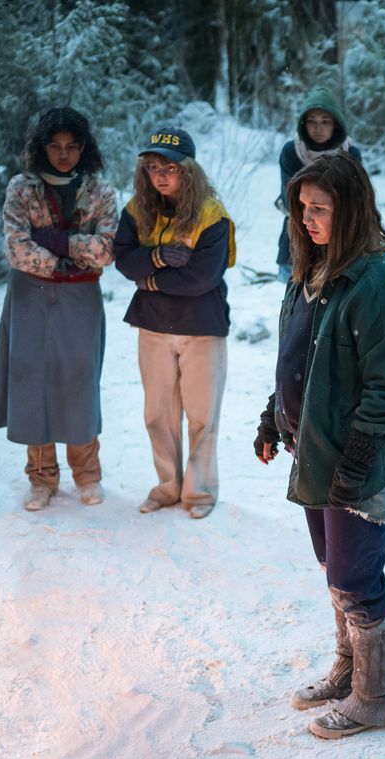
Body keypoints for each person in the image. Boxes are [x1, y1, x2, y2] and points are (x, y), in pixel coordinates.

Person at [253, 152, 385, 740]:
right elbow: (298, 356)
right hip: (315, 451)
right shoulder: (313, 267)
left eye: (319, 209)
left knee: (356, 575)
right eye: (301, 209)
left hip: (356, 460)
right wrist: (273, 418)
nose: (308, 219)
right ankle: (348, 673)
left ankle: (374, 697)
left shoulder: (377, 279)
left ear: (349, 209)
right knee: (334, 569)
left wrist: (360, 461)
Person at [0, 107, 118, 511]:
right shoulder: (22, 188)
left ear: (84, 148)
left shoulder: (100, 191)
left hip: (81, 300)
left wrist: (59, 243)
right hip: (30, 295)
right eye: (55, 146)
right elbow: (16, 245)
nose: (63, 154)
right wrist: (62, 260)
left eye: (71, 146)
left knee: (80, 379)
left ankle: (87, 473)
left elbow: (107, 248)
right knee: (32, 381)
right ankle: (41, 477)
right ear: (41, 147)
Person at [114, 127, 235, 519]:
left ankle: (198, 493)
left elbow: (202, 278)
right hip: (153, 326)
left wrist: (148, 278)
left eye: (171, 167)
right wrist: (162, 257)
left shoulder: (211, 215)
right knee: (158, 414)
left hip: (202, 327)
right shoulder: (137, 210)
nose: (161, 175)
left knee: (202, 415)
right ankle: (167, 487)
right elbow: (123, 259)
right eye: (153, 167)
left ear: (189, 170)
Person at [275, 88, 361, 283]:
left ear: (336, 124)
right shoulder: (292, 151)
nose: (318, 128)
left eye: (325, 121)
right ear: (303, 124)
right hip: (296, 239)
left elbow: (355, 203)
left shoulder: (350, 154)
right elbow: (291, 201)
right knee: (297, 307)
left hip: (341, 242)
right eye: (312, 121)